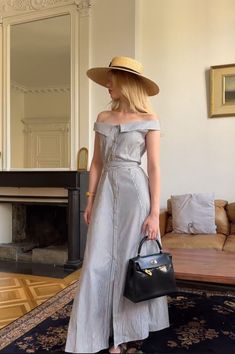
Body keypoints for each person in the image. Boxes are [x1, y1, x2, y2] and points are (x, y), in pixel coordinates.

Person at [65, 56, 169, 354]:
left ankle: (125, 335)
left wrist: (153, 214)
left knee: (128, 261)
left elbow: (155, 168)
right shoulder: (103, 117)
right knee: (97, 261)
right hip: (106, 192)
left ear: (126, 82)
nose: (107, 85)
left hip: (135, 194)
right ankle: (94, 332)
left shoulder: (149, 119)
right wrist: (90, 198)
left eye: (111, 79)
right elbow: (96, 164)